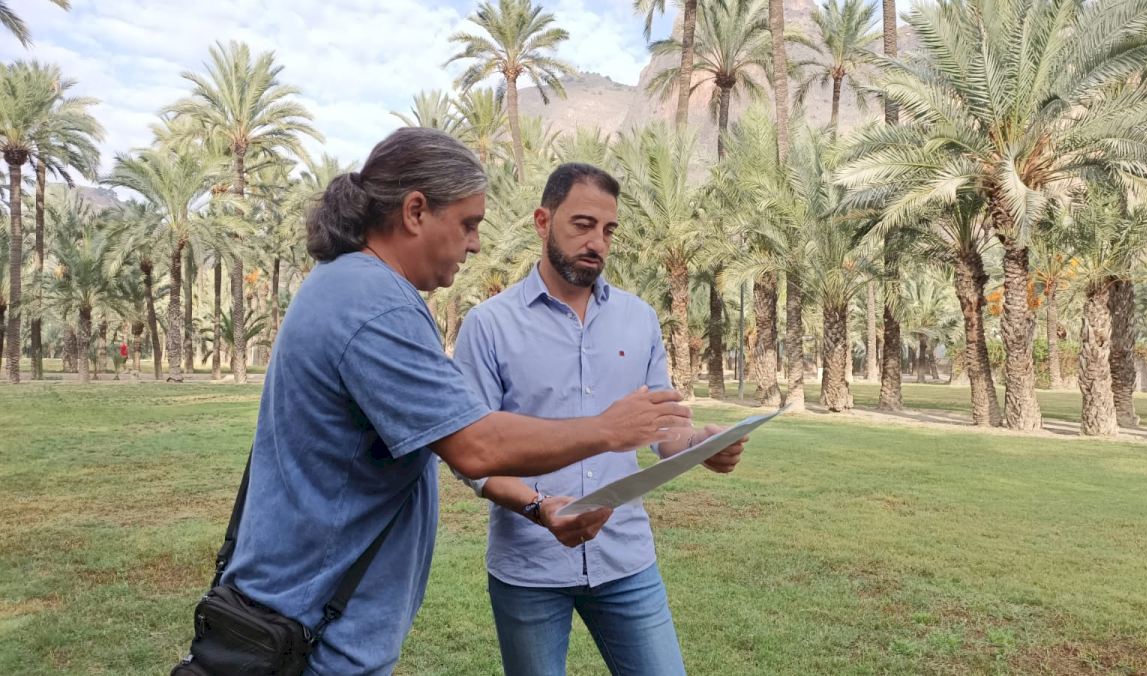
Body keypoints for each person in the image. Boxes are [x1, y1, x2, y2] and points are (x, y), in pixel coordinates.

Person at [217, 130, 691, 676]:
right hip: (311, 627)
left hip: (306, 613)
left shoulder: (346, 284)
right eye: (468, 224)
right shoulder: (376, 304)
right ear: (415, 211)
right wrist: (606, 430)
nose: (476, 244)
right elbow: (474, 445)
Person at [453, 163, 749, 676]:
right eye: (583, 224)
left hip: (626, 559)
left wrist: (699, 443)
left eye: (608, 230)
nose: (597, 242)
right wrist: (538, 508)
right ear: (543, 221)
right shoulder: (488, 325)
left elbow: (661, 429)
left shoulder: (639, 319)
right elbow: (471, 456)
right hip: (530, 565)